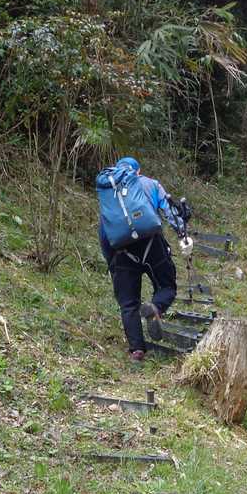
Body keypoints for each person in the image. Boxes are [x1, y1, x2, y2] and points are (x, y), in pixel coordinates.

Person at [96, 156, 193, 363]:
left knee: (128, 304)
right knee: (166, 285)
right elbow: (170, 213)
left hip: (121, 252)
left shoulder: (110, 193)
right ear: (137, 171)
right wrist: (182, 233)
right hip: (152, 244)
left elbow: (104, 232)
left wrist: (112, 262)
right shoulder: (151, 184)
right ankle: (156, 307)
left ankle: (137, 351)